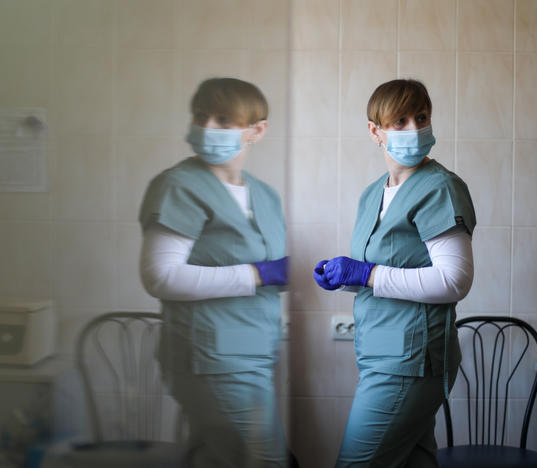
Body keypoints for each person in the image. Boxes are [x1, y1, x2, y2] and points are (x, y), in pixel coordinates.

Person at [313, 79, 476, 467]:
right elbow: (391, 273)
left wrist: (366, 274)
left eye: (420, 118)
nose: (414, 129)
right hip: (381, 351)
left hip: (412, 359)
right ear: (375, 131)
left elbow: (455, 280)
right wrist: (347, 278)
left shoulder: (440, 188)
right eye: (399, 121)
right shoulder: (373, 194)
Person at [138, 78, 288, 467]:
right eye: (202, 116)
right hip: (209, 358)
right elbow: (160, 277)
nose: (208, 128)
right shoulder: (178, 186)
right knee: (261, 460)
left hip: (254, 352)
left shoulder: (266, 195)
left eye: (224, 120)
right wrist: (256, 274)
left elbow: (270, 268)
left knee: (215, 458)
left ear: (257, 130)